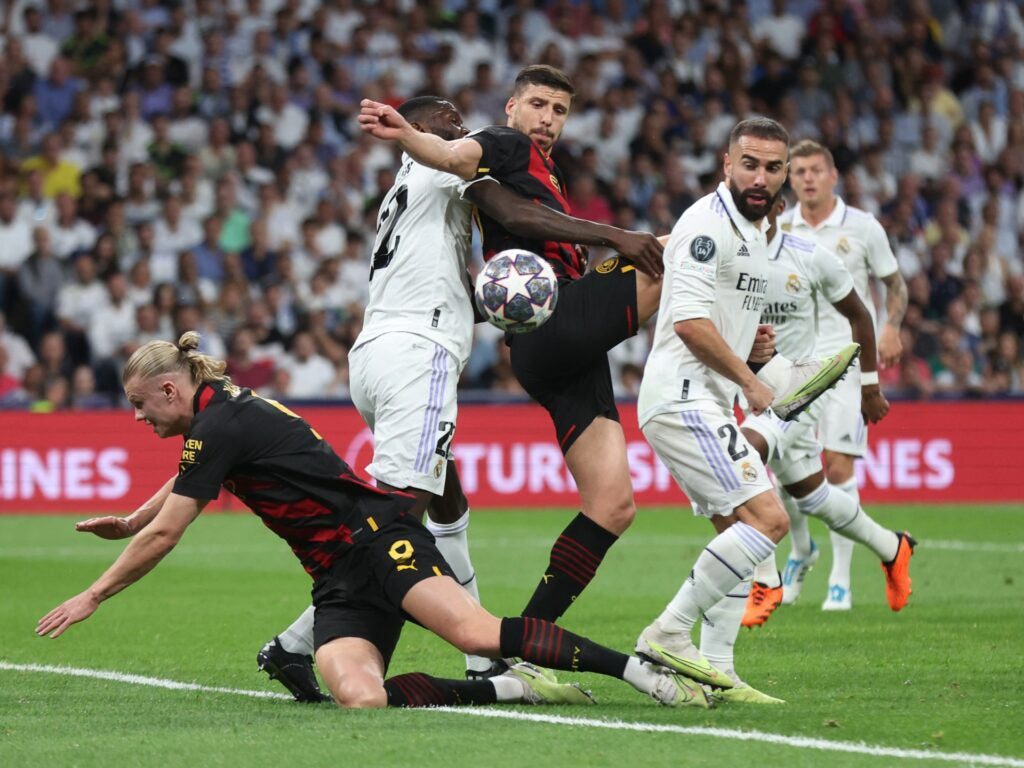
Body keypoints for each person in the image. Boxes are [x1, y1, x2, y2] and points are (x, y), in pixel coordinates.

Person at [359, 66, 853, 636]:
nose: (548, 119)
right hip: (554, 324)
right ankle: (767, 371)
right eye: (538, 104)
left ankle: (524, 637)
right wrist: (403, 130)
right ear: (512, 105)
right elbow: (452, 158)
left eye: (560, 110)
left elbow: (512, 213)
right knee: (679, 247)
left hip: (554, 345)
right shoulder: (503, 141)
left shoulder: (527, 171)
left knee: (613, 505)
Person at [38, 333, 713, 711]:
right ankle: (506, 690)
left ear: (168, 389)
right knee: (362, 699)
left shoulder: (223, 419)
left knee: (475, 629)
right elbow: (191, 475)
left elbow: (170, 531)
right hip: (336, 577)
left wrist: (95, 592)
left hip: (379, 541)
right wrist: (131, 519)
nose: (137, 418)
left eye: (139, 405)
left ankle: (643, 674)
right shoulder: (218, 414)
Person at [257, 94, 673, 699]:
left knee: (445, 499)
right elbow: (517, 214)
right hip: (417, 353)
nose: (463, 129)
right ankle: (296, 642)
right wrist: (616, 238)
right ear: (421, 131)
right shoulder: (450, 169)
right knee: (395, 519)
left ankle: (485, 668)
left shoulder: (402, 192)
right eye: (448, 121)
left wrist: (504, 304)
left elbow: (453, 279)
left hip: (376, 351)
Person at [704, 198, 915, 701]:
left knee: (739, 456)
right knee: (812, 495)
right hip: (755, 386)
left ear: (778, 207)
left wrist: (868, 386)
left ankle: (765, 577)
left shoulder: (809, 255)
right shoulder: (732, 256)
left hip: (805, 385)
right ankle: (893, 547)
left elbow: (861, 315)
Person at [632, 118, 803, 704]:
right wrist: (750, 382)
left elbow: (717, 317)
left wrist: (751, 346)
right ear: (726, 163)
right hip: (684, 396)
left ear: (784, 175)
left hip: (699, 396)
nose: (760, 178)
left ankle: (717, 671)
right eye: (749, 164)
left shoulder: (755, 233)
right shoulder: (707, 224)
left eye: (772, 168)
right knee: (769, 521)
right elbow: (688, 322)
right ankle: (667, 634)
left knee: (735, 531)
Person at [781, 140, 909, 611]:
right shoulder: (780, 226)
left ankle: (840, 580)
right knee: (782, 471)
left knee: (836, 469)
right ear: (790, 179)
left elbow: (895, 284)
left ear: (834, 176)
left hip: (848, 362)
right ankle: (801, 550)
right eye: (799, 172)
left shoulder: (862, 227)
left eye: (816, 170)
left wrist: (892, 325)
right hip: (792, 363)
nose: (808, 179)